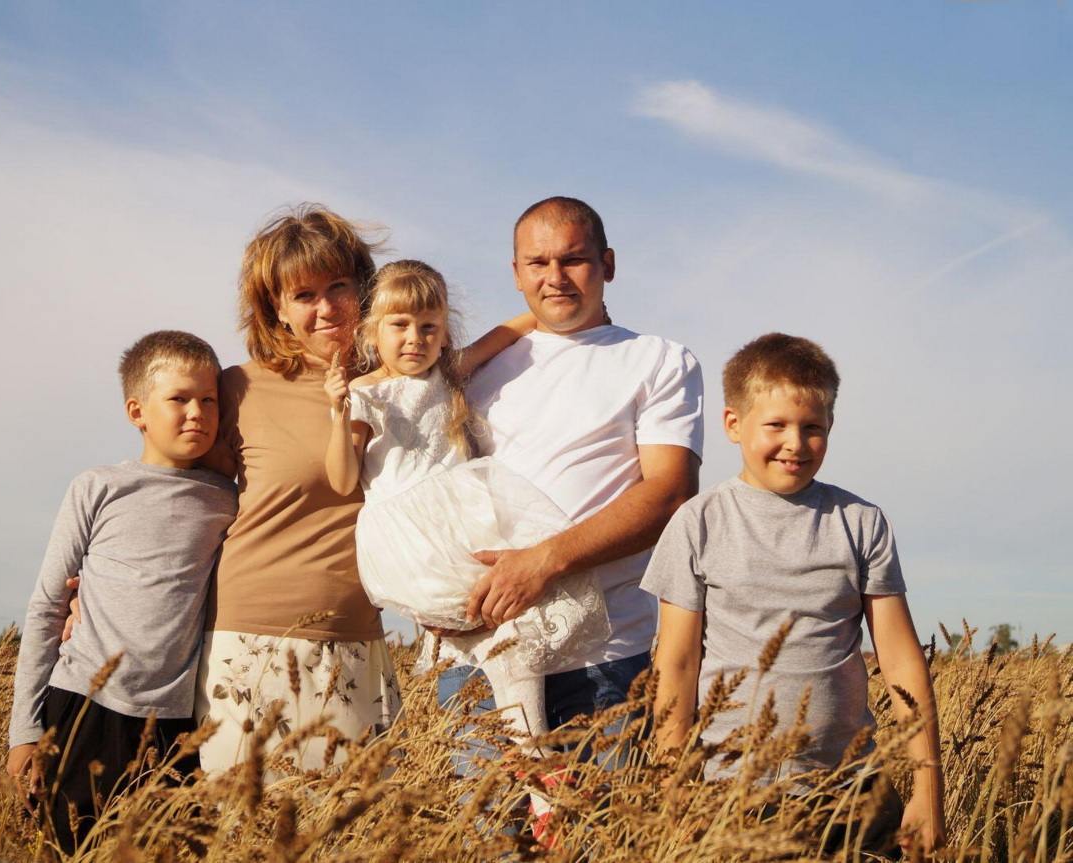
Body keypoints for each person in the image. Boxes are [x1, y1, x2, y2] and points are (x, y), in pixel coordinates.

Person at [644, 333, 946, 855]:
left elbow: (899, 661)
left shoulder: (860, 523)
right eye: (777, 425)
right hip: (729, 788)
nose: (796, 443)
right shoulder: (698, 523)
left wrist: (928, 790)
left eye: (813, 429)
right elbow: (676, 664)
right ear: (733, 424)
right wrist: (673, 787)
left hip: (851, 786)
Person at [439, 196, 704, 751]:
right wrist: (432, 595)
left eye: (573, 260)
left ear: (608, 264)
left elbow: (670, 493)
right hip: (482, 655)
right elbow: (428, 481)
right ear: (516, 273)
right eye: (537, 263)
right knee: (484, 836)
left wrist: (542, 563)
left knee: (591, 834)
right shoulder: (477, 370)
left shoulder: (658, 360)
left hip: (602, 659)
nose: (555, 278)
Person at [323, 259, 610, 750]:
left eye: (429, 326)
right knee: (490, 632)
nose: (415, 338)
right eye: (400, 326)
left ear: (444, 332)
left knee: (512, 633)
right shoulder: (364, 395)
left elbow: (511, 329)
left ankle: (530, 753)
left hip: (470, 518)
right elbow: (342, 478)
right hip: (414, 538)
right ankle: (532, 754)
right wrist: (337, 412)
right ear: (374, 331)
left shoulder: (448, 373)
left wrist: (579, 313)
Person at [7, 331, 238, 853]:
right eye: (178, 399)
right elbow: (47, 607)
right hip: (85, 706)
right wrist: (24, 729)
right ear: (138, 410)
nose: (197, 412)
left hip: (176, 724)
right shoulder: (98, 486)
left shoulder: (229, 499)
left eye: (209, 400)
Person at [191, 205, 402, 774]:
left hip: (360, 642)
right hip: (249, 644)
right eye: (304, 295)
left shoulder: (403, 384)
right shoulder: (239, 389)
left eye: (339, 286)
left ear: (367, 289)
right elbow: (187, 504)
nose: (327, 308)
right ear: (276, 310)